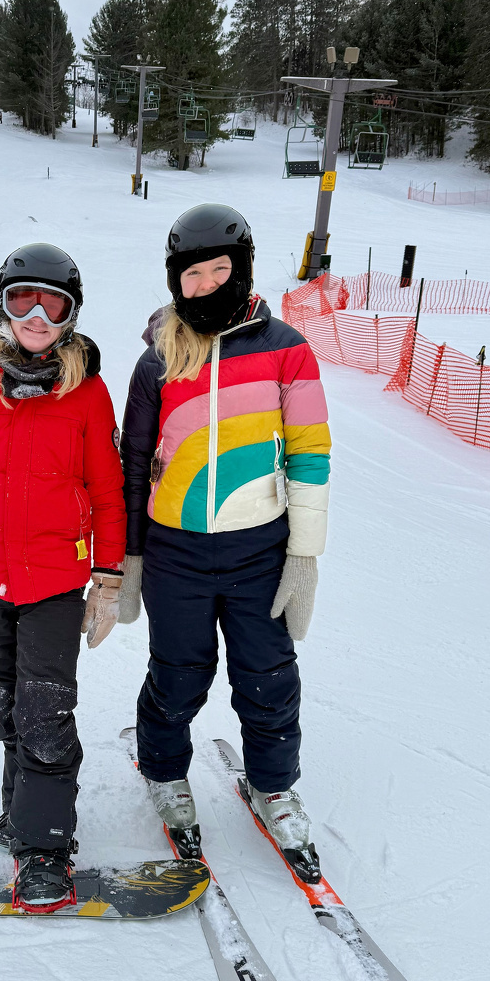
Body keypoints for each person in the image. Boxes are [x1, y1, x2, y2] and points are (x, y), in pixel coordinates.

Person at [118, 204, 331, 880]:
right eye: (193, 273)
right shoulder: (157, 357)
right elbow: (133, 462)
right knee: (178, 674)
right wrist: (130, 555)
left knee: (268, 676)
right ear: (175, 279)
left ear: (242, 268)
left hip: (258, 549)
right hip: (176, 552)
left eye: (220, 270)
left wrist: (303, 552)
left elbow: (310, 456)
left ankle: (273, 786)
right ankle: (164, 771)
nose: (207, 284)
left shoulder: (285, 348)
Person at [0, 242, 127, 912]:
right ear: (1, 306)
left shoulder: (87, 393)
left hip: (53, 585)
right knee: (7, 705)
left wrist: (106, 580)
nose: (36, 316)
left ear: (71, 316)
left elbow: (107, 491)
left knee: (44, 711)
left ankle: (44, 846)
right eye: (22, 299)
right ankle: (21, 807)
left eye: (53, 303)